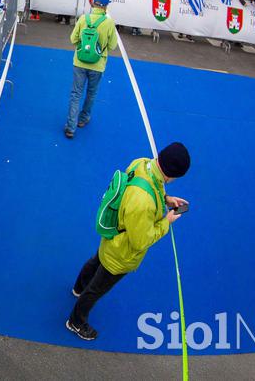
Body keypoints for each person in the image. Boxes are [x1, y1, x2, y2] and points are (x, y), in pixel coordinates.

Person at [67, 143, 191, 341]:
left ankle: (77, 288)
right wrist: (166, 223)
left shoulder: (142, 163)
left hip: (112, 236)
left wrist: (165, 198)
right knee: (97, 288)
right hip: (121, 254)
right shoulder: (144, 203)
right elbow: (141, 241)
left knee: (96, 260)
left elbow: (146, 186)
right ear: (171, 175)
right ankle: (76, 321)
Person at [64, 0, 118, 139]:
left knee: (76, 94)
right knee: (91, 93)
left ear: (93, 4)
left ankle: (70, 127)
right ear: (105, 6)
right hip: (97, 64)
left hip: (79, 62)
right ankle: (83, 118)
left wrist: (82, 48)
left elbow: (72, 39)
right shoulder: (109, 23)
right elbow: (112, 45)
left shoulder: (83, 19)